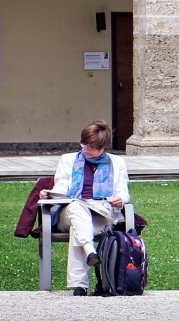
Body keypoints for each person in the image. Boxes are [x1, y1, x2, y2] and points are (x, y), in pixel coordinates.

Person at [39, 120, 130, 296]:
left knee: (78, 229)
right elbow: (61, 187)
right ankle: (90, 249)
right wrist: (49, 193)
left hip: (101, 213)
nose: (86, 149)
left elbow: (122, 191)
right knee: (77, 205)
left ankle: (80, 284)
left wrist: (120, 199)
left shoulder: (117, 163)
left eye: (91, 147)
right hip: (70, 211)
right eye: (84, 144)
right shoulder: (68, 160)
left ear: (103, 146)